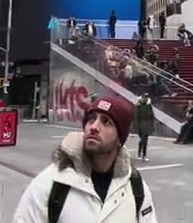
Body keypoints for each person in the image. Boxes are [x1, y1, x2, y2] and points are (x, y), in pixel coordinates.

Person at [13, 95, 158, 221]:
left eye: (106, 122)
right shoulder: (51, 184)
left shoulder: (136, 188)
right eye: (91, 119)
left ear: (120, 139)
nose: (94, 127)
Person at [134, 93, 154, 161]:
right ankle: (140, 152)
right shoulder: (138, 106)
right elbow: (135, 116)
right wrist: (136, 126)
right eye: (144, 97)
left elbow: (152, 116)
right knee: (143, 140)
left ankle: (144, 155)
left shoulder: (149, 105)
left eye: (146, 98)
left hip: (147, 124)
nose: (144, 99)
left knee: (145, 140)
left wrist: (152, 125)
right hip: (141, 124)